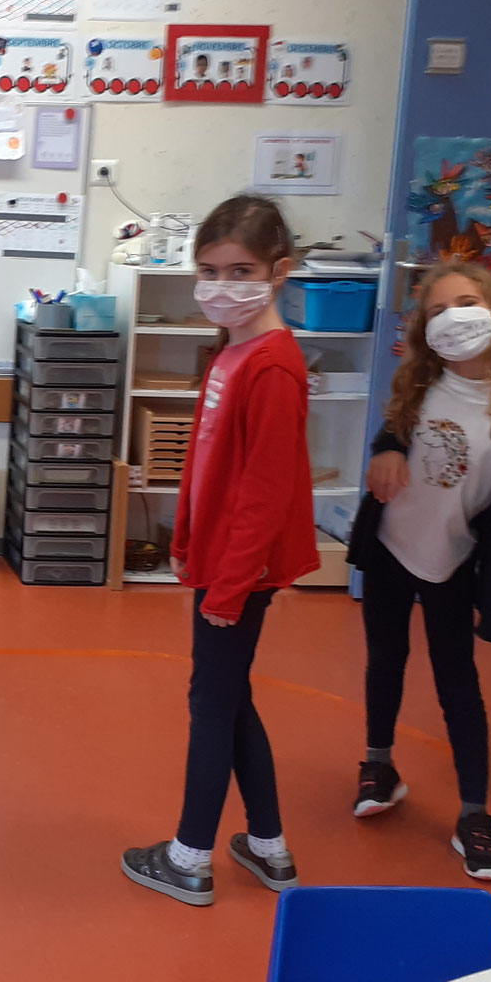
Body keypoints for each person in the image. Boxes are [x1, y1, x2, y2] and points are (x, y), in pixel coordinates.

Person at [122, 196, 318, 907]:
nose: (221, 285)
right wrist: (183, 538)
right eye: (209, 270)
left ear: (279, 272)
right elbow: (205, 464)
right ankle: (268, 846)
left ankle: (189, 857)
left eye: (241, 271)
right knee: (231, 699)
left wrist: (229, 587)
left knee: (211, 704)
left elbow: (263, 494)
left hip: (242, 570)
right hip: (218, 558)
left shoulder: (272, 366)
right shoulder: (232, 352)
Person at [346, 262, 491, 882]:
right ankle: (379, 765)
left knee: (457, 683)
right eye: (437, 311)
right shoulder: (420, 387)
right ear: (424, 330)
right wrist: (387, 450)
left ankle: (474, 815)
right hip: (390, 546)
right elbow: (391, 437)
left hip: (453, 559)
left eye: (465, 303)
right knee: (385, 660)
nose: (453, 319)